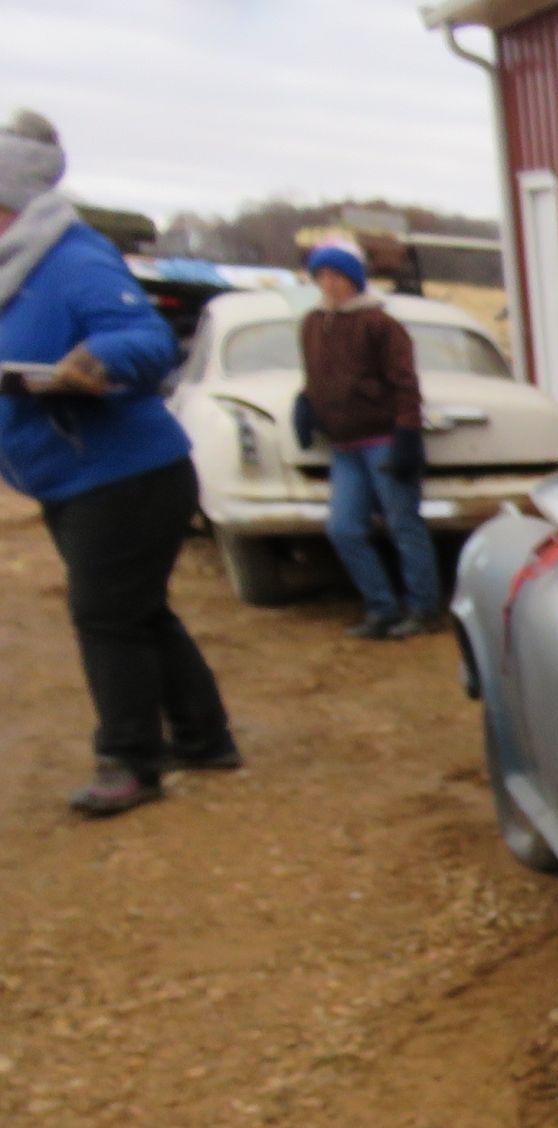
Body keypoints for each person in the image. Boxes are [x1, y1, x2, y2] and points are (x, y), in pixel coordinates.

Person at [0, 108, 238, 818]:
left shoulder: (72, 258)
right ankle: (204, 737)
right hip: (74, 475)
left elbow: (145, 337)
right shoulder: (16, 270)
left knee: (104, 616)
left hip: (126, 474)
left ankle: (129, 760)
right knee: (137, 611)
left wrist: (95, 360)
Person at [294, 243, 438, 639]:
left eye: (337, 276)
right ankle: (382, 608)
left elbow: (405, 384)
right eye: (321, 276)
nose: (329, 283)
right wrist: (307, 402)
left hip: (384, 439)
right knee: (343, 528)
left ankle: (423, 609)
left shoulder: (380, 324)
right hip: (343, 446)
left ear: (353, 281)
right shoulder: (312, 323)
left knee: (403, 524)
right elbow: (315, 374)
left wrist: (407, 433)